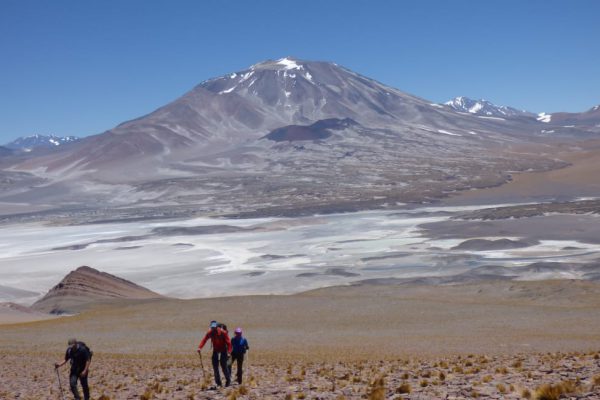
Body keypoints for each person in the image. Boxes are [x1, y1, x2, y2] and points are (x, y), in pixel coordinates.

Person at [198, 320, 232, 387]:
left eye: (214, 327)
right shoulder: (210, 332)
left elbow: (229, 343)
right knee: (215, 366)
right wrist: (199, 347)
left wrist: (229, 352)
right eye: (212, 327)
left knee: (224, 366)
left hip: (223, 350)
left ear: (216, 327)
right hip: (215, 350)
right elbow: (204, 340)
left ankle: (228, 380)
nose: (213, 329)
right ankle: (218, 383)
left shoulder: (223, 332)